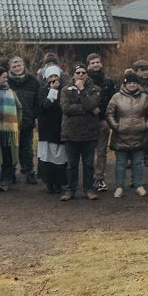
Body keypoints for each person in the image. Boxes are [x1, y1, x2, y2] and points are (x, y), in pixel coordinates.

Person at [106, 71, 148, 198]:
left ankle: (139, 185)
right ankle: (119, 187)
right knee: (120, 163)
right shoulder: (116, 97)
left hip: (139, 135)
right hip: (121, 136)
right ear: (125, 84)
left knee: (138, 162)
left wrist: (146, 125)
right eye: (130, 83)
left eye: (135, 83)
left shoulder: (145, 97)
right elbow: (109, 113)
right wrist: (116, 126)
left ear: (138, 84)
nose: (132, 85)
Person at [59, 64, 103, 201]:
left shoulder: (95, 89)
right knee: (71, 165)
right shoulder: (65, 90)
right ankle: (70, 190)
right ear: (74, 74)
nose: (81, 75)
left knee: (89, 164)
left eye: (83, 72)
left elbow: (92, 104)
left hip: (89, 133)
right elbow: (66, 109)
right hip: (70, 133)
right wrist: (87, 109)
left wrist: (82, 90)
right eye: (78, 72)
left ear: (87, 74)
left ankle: (89, 189)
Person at [6, 57, 41, 185]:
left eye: (19, 65)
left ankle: (29, 172)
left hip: (27, 120)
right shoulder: (6, 81)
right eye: (14, 66)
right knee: (11, 148)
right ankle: (10, 173)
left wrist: (33, 115)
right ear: (10, 68)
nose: (17, 68)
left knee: (27, 148)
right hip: (10, 121)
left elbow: (38, 101)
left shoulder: (33, 81)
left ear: (23, 65)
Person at [86, 53, 117, 192]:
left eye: (97, 62)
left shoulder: (108, 82)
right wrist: (92, 109)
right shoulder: (84, 81)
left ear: (101, 64)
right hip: (86, 121)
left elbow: (113, 102)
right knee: (88, 152)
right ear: (88, 66)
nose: (95, 65)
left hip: (103, 120)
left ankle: (99, 178)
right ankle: (88, 179)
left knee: (101, 151)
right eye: (92, 63)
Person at [35, 66, 68, 193]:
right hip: (47, 129)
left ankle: (60, 182)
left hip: (60, 127)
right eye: (51, 77)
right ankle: (49, 182)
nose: (53, 79)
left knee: (60, 157)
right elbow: (45, 106)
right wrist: (52, 91)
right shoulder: (42, 91)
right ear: (46, 78)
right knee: (48, 157)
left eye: (55, 76)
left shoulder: (65, 91)